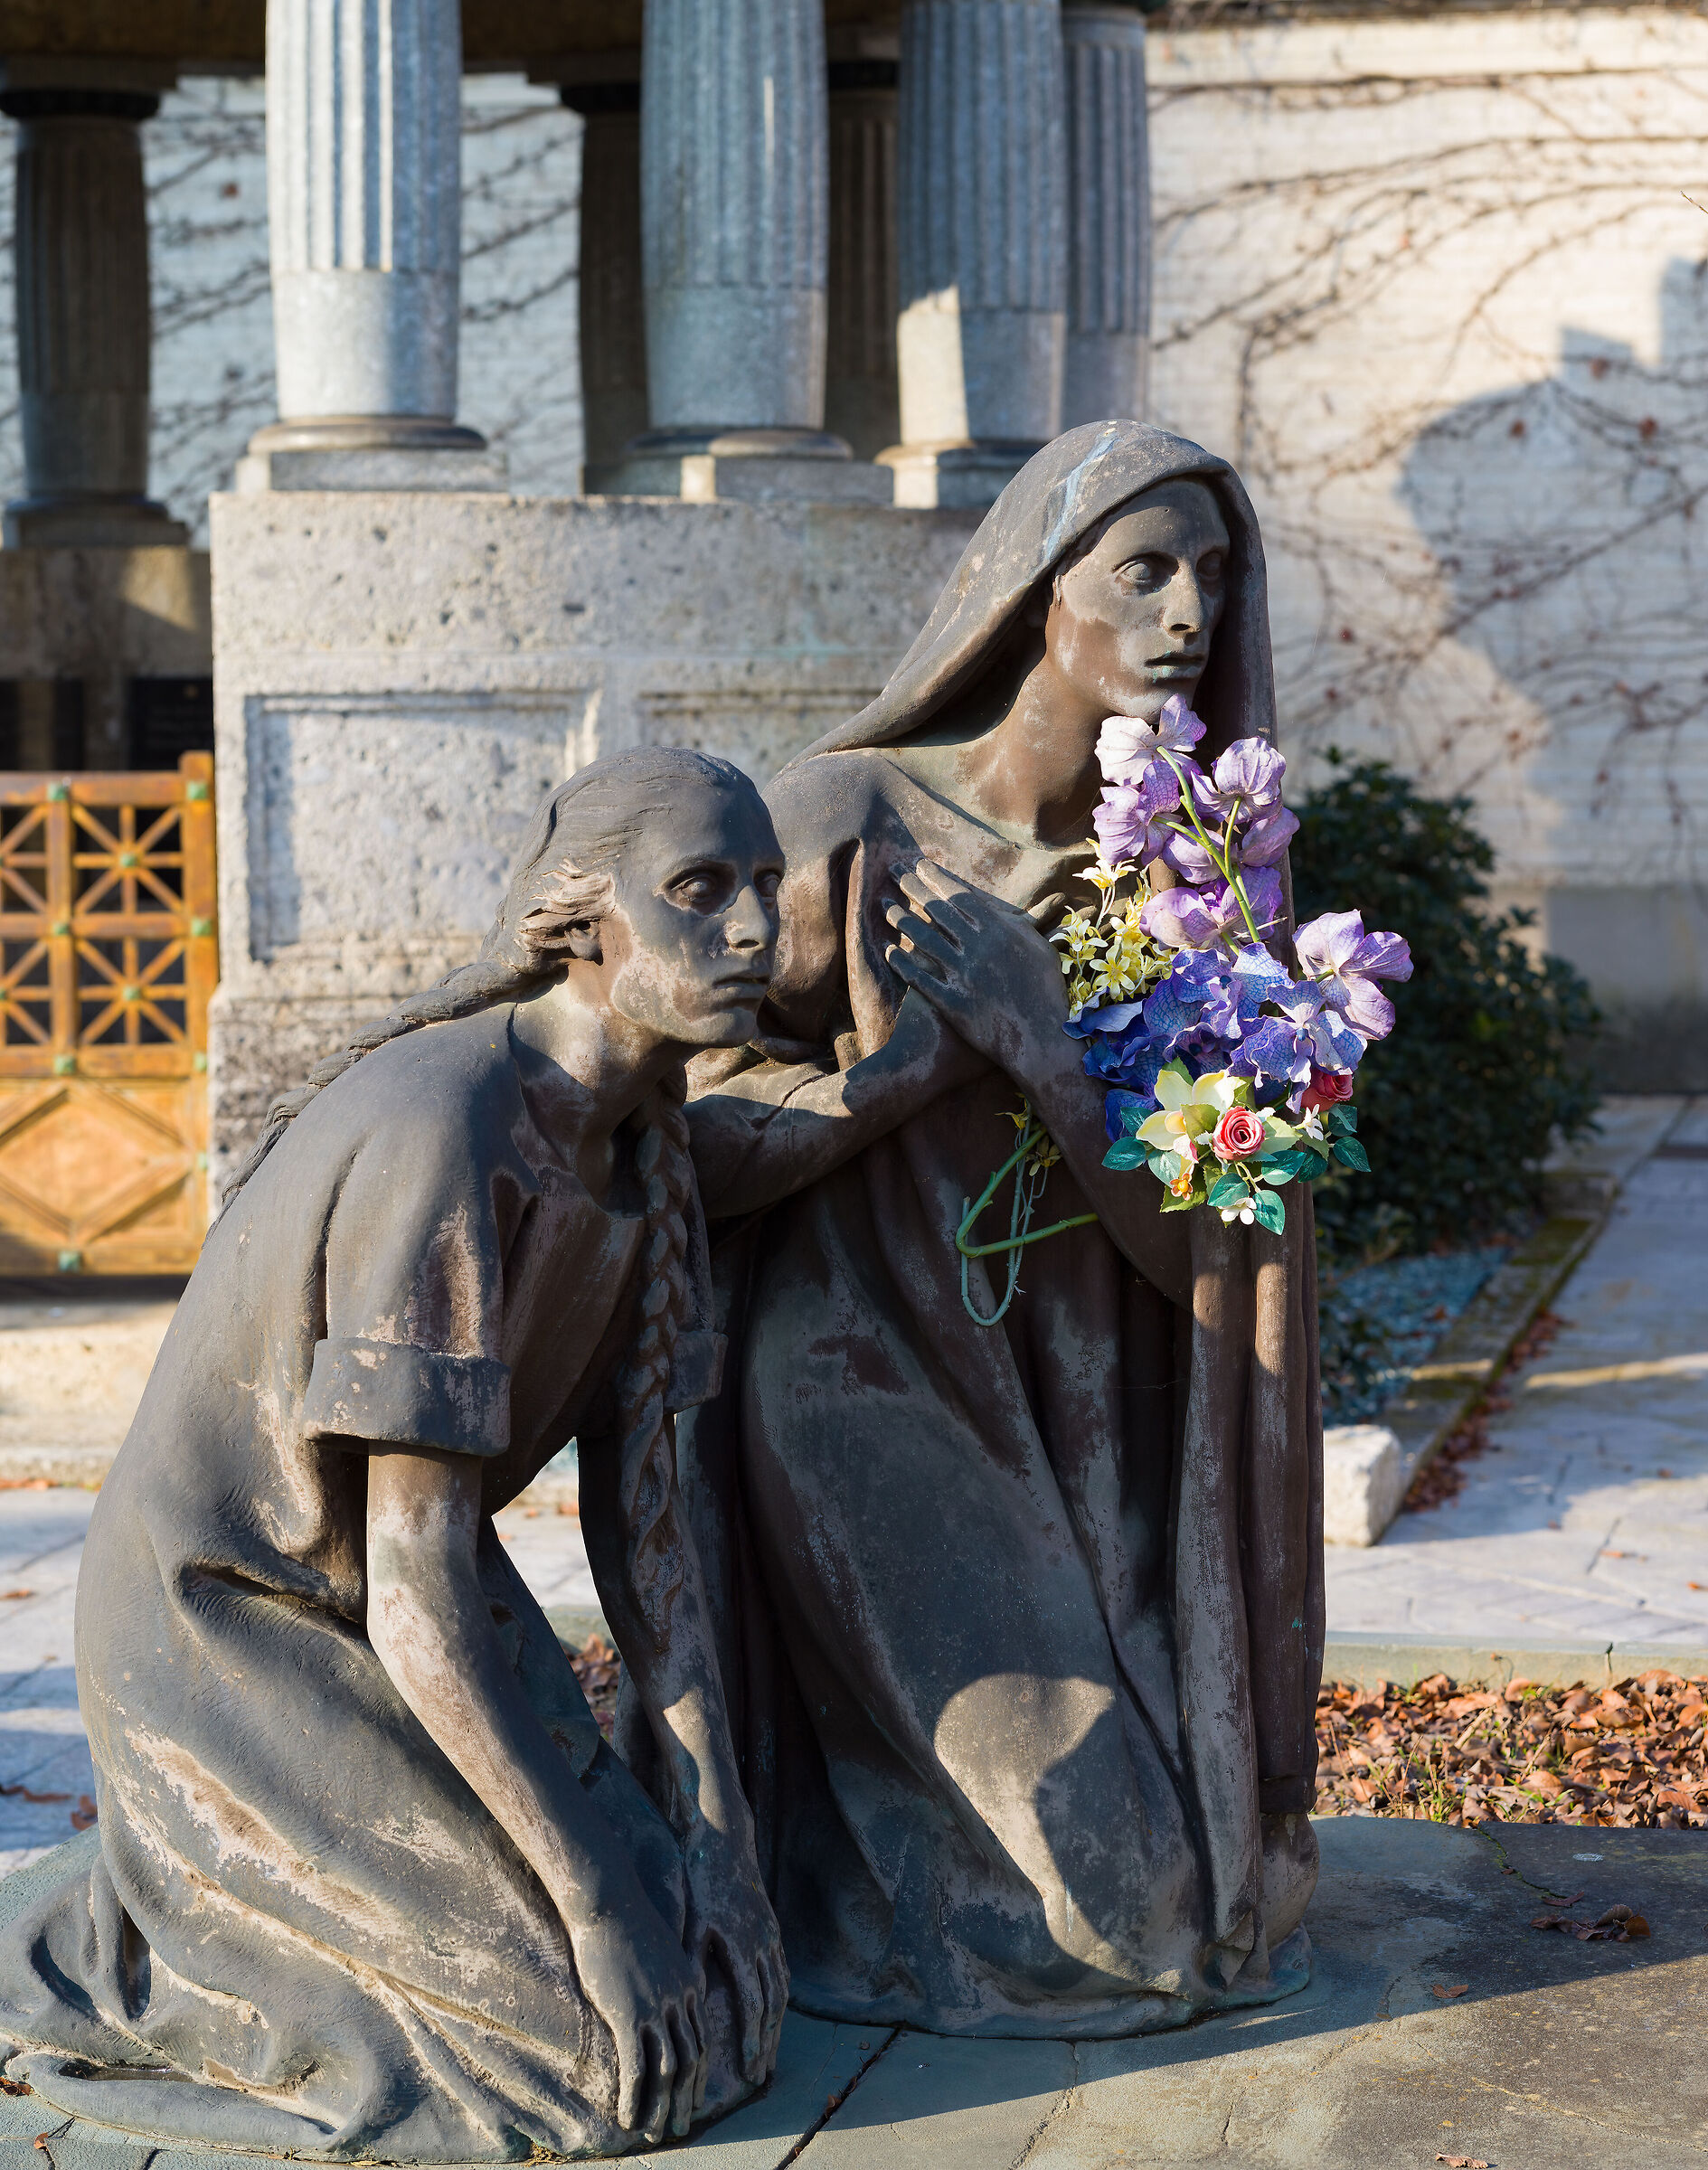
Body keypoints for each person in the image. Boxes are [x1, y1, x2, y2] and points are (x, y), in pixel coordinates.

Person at [0, 750, 790, 2159]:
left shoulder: (643, 1144)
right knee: (580, 2067)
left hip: (406, 1609)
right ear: (584, 914)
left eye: (767, 887)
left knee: (713, 2007)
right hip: (233, 1628)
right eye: (699, 888)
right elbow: (410, 1590)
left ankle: (220, 1887)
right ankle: (136, 1917)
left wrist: (718, 1842)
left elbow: (651, 1539)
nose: (752, 930)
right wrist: (598, 1904)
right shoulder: (450, 1127)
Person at [676, 423, 1322, 2038]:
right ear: (1035, 596)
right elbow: (676, 1148)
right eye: (1144, 569)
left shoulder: (1198, 881)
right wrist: (898, 1084)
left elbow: (1218, 1261)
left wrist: (1044, 1047)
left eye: (1214, 574)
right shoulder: (845, 828)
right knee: (1121, 1918)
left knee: (1172, 1916)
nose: (1190, 611)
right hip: (862, 1386)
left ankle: (885, 1853)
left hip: (1094, 1426)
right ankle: (839, 1858)